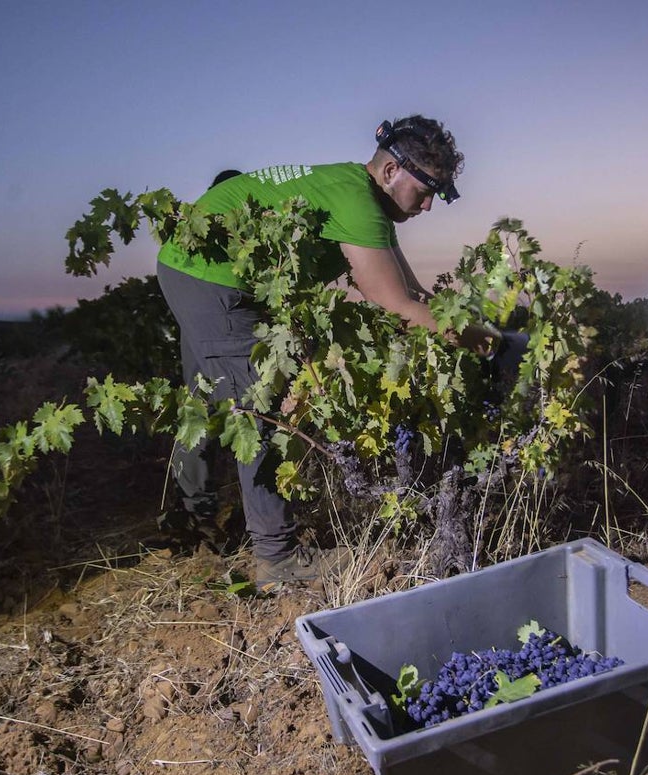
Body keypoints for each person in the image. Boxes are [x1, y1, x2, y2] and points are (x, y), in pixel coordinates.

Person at [155, 115, 493, 586]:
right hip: (211, 281)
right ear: (392, 172)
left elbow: (413, 292)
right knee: (257, 409)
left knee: (205, 399)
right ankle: (277, 561)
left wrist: (468, 325)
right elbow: (395, 304)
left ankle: (192, 523)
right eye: (427, 189)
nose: (430, 205)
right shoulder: (358, 202)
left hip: (187, 268)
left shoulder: (357, 193)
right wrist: (488, 345)